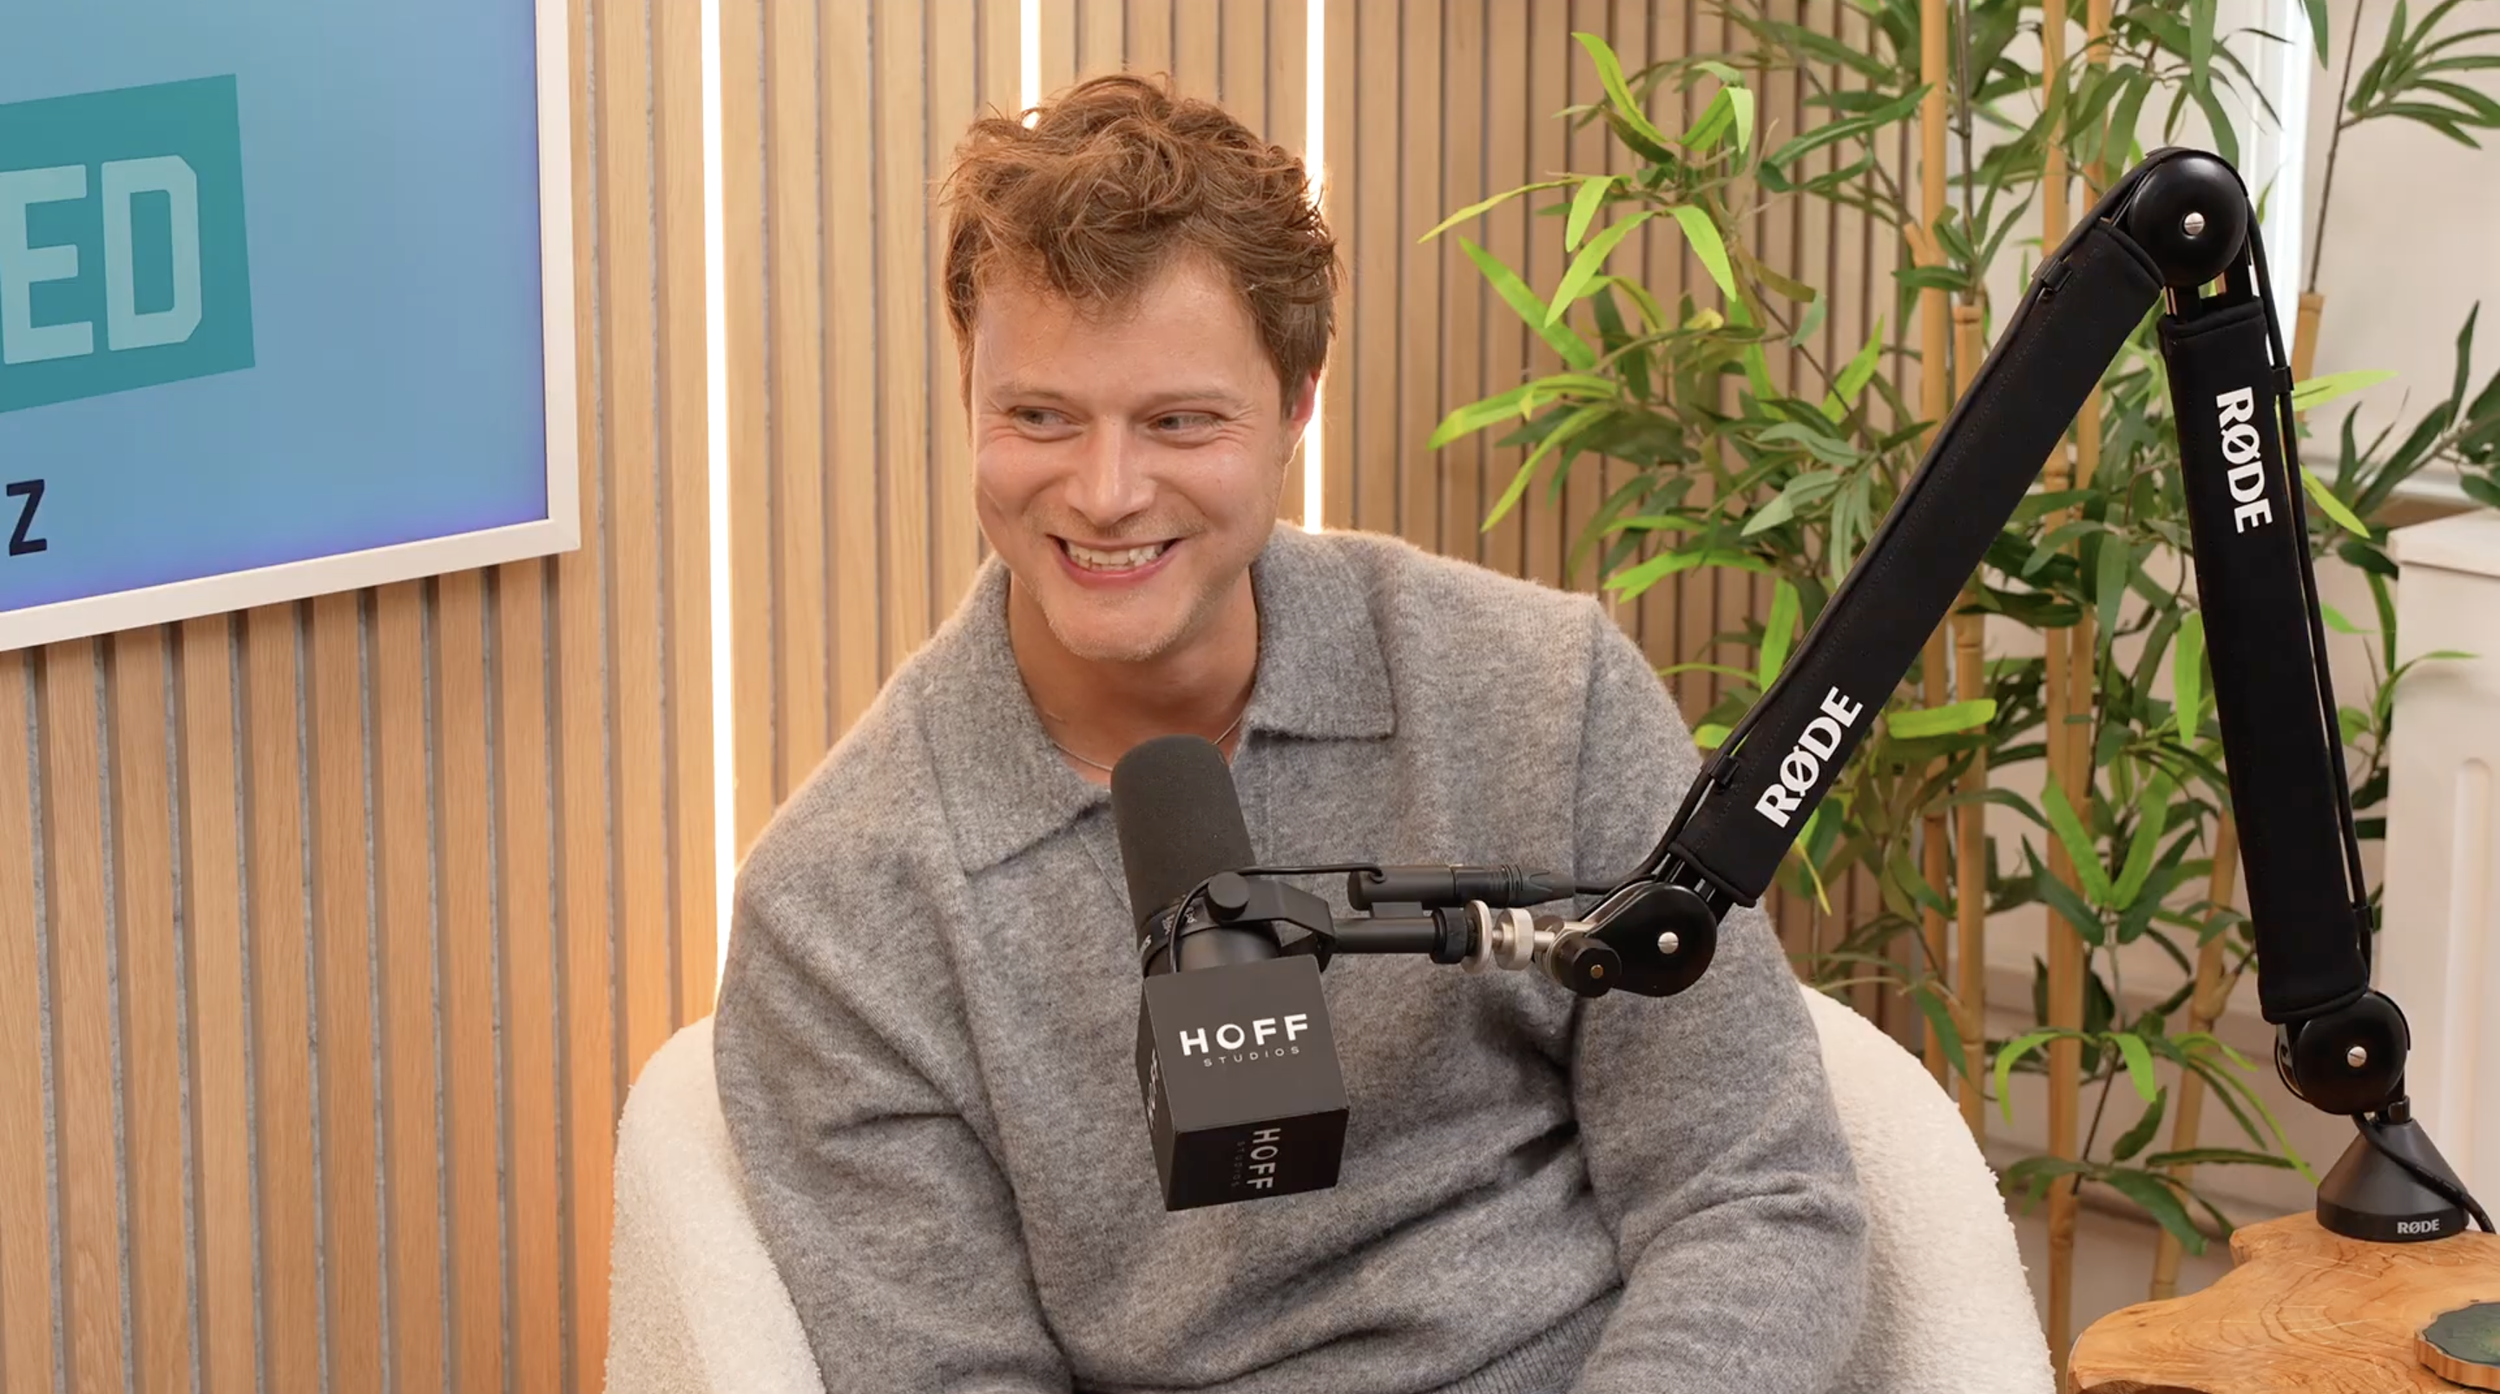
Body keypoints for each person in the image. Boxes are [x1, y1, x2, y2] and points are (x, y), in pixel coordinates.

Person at [712, 73, 1869, 1394]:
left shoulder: (1542, 690)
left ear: (1296, 405)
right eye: (1039, 416)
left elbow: (1752, 1185)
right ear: (970, 394)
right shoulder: (837, 911)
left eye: (1179, 421)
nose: (1101, 493)